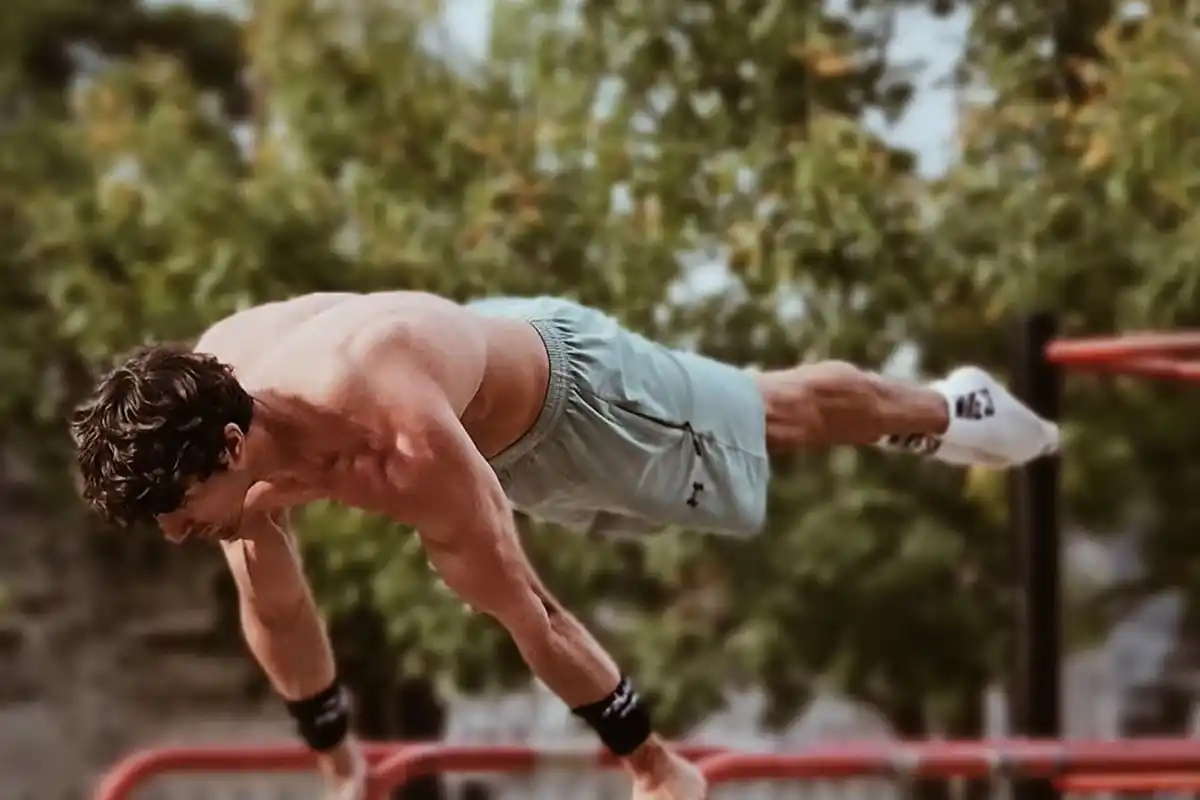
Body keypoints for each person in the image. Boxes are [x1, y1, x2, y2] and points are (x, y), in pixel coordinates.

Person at [69, 292, 1059, 800]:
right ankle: (933, 407)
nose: (172, 530)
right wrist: (339, 762)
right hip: (479, 399)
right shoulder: (216, 407)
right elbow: (279, 609)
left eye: (176, 507)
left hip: (581, 405)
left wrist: (653, 759)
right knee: (767, 413)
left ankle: (944, 407)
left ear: (233, 446)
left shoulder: (391, 430)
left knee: (779, 413)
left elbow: (522, 604)